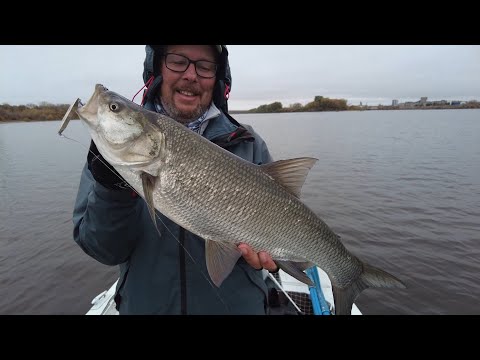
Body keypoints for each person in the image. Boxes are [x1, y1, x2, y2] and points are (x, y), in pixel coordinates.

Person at [72, 45, 281, 315]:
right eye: (177, 61)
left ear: (218, 78)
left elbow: (285, 223)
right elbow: (102, 250)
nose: (191, 75)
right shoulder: (108, 154)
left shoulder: (248, 144)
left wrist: (275, 253)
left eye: (204, 66)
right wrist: (111, 190)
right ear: (157, 69)